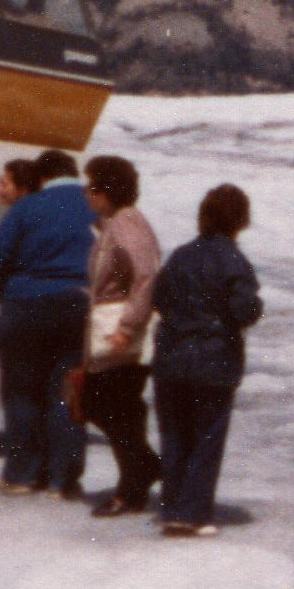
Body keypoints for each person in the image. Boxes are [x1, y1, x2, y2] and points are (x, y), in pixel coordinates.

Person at [0, 148, 94, 500]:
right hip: (78, 305)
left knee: (22, 392)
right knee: (68, 391)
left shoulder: (28, 207)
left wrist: (5, 294)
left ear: (42, 178)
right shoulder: (94, 207)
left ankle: (22, 474)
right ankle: (64, 480)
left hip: (25, 306)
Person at [150, 183, 264, 537]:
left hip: (170, 358)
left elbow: (159, 298)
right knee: (206, 437)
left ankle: (172, 507)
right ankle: (193, 511)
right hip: (213, 362)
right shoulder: (233, 261)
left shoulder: (180, 255)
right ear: (241, 221)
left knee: (175, 436)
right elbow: (243, 309)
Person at [82, 156, 164, 517]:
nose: (87, 193)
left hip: (121, 332)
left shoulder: (127, 224)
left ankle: (136, 479)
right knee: (115, 406)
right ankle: (139, 474)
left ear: (106, 192)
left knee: (110, 404)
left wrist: (127, 327)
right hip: (112, 329)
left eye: (92, 187)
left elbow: (146, 276)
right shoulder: (114, 225)